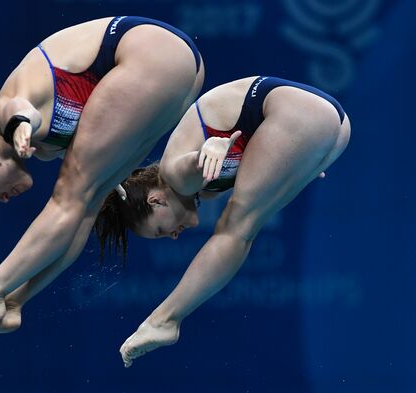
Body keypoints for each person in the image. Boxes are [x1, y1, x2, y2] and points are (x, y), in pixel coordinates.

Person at [0, 16, 204, 362]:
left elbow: (19, 110)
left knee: (70, 196)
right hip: (181, 70)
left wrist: (21, 126)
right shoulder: (50, 149)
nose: (2, 200)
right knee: (86, 206)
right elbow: (74, 218)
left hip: (154, 53)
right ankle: (10, 302)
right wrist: (15, 298)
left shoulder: (3, 113)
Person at [93, 76, 351, 367]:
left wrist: (210, 150)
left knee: (235, 228)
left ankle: (164, 319)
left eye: (161, 230)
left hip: (301, 112)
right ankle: (165, 320)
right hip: (329, 125)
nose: (174, 236)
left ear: (156, 200)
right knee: (243, 226)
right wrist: (295, 161)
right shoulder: (206, 191)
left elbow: (192, 164)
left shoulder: (174, 176)